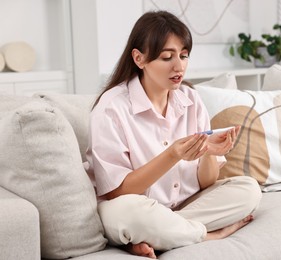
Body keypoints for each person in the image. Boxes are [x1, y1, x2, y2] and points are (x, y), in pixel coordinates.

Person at [85, 10, 262, 259]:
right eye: (167, 57)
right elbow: (116, 192)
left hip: (186, 205)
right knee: (128, 215)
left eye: (184, 55)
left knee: (248, 189)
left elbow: (207, 184)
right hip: (132, 206)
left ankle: (161, 234)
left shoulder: (191, 99)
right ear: (139, 58)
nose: (179, 66)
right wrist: (172, 155)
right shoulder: (112, 107)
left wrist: (208, 152)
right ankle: (206, 234)